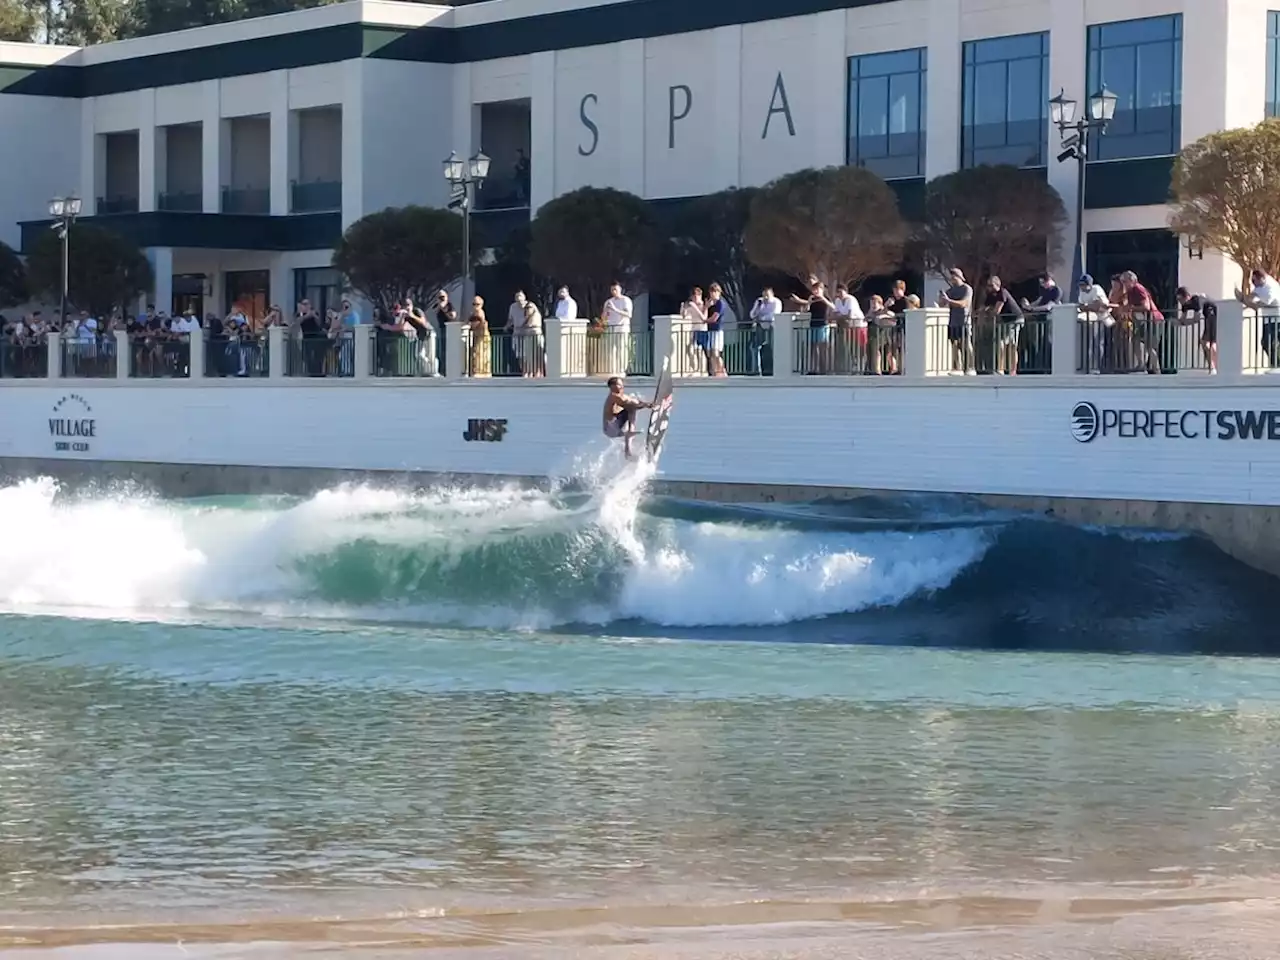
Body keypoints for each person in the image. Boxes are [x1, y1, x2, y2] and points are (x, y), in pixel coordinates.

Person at [601, 376, 652, 459]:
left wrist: (647, 404)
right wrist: (646, 405)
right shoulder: (613, 397)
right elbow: (631, 404)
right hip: (610, 428)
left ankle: (629, 451)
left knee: (632, 404)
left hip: (617, 427)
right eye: (619, 385)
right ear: (612, 386)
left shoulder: (622, 396)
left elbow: (635, 401)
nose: (622, 386)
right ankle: (628, 444)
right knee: (631, 408)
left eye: (622, 384)